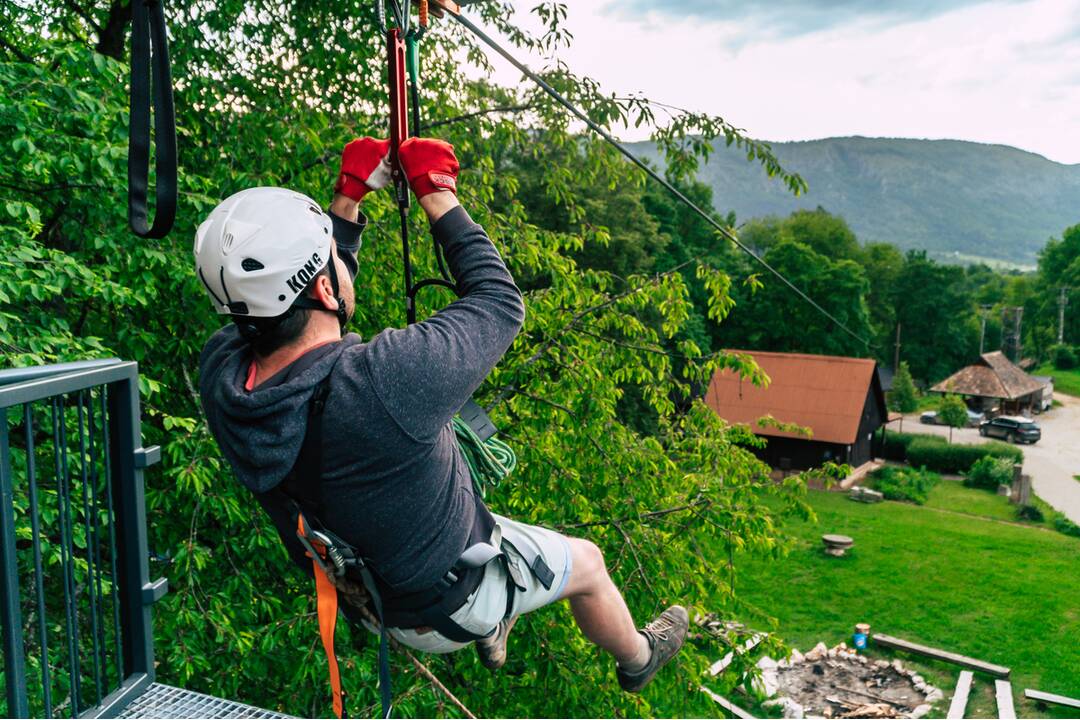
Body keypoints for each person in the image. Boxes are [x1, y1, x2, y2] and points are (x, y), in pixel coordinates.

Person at [195, 136, 687, 693]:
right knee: (589, 565)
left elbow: (307, 301)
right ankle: (638, 657)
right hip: (452, 599)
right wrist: (438, 195)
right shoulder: (381, 383)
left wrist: (349, 202)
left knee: (478, 521)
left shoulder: (224, 377)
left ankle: (500, 607)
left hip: (369, 595)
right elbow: (498, 302)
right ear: (328, 287)